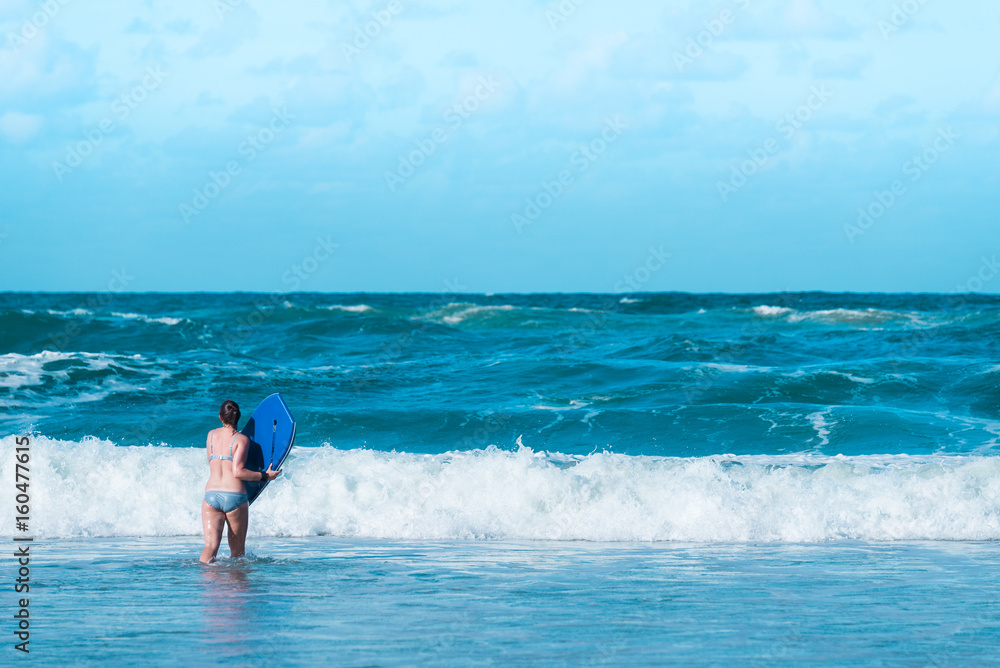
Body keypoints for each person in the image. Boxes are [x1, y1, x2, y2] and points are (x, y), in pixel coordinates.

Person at [200, 399, 281, 564]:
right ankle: (235, 588)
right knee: (237, 553)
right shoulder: (241, 440)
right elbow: (238, 472)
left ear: (220, 417)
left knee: (210, 547)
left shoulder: (210, 436)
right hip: (235, 497)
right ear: (238, 418)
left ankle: (207, 585)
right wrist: (266, 476)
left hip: (211, 496)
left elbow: (212, 462)